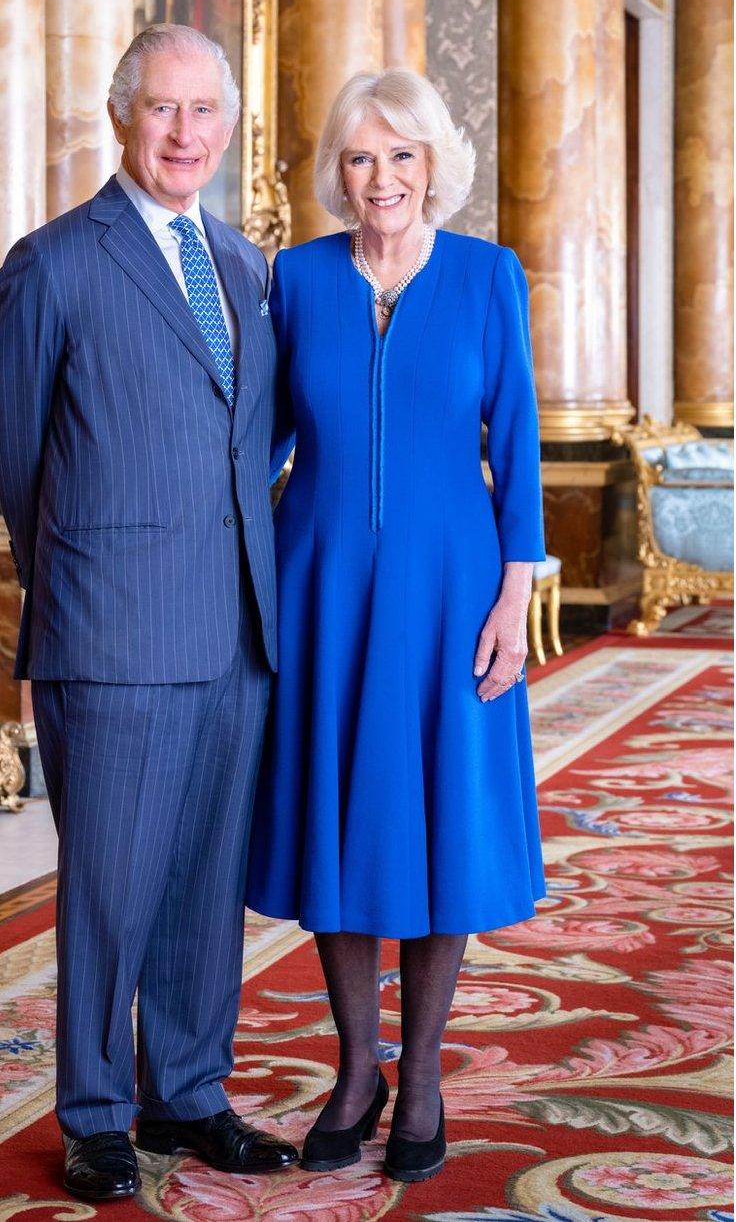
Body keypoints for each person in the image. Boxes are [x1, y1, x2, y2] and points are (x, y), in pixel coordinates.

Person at [0, 23, 298, 1204]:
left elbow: (251, 438)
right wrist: (83, 576)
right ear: (122, 115)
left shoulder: (245, 264)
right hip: (109, 629)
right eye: (162, 109)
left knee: (206, 881)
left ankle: (191, 1089)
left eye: (203, 111)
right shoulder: (55, 262)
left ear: (225, 122)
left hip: (236, 630)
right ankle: (99, 1112)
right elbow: (15, 455)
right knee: (108, 885)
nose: (183, 133)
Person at [246, 69, 546, 1184]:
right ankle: (355, 1065)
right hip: (319, 582)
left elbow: (513, 445)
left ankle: (419, 1074)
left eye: (403, 156)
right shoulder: (297, 278)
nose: (384, 179)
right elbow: (261, 444)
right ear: (340, 170)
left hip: (452, 590)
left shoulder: (484, 277)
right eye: (363, 158)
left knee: (440, 821)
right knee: (339, 815)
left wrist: (514, 600)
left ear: (433, 165)